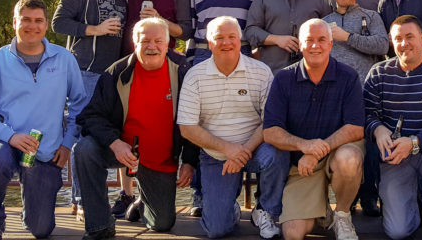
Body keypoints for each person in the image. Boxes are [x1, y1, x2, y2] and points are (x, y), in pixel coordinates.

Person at [0, 0, 88, 240]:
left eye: (38, 20)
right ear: (15, 22)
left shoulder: (65, 59)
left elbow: (80, 106)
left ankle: (32, 211)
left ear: (46, 25)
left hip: (46, 148)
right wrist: (10, 136)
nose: (32, 26)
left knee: (41, 229)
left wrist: (67, 144)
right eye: (25, 20)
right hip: (6, 141)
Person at [73, 18, 197, 240]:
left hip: (161, 161)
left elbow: (196, 119)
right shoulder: (116, 72)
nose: (152, 46)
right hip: (124, 153)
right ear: (134, 43)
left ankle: (143, 200)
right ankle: (99, 226)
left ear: (168, 44)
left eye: (158, 41)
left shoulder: (184, 71)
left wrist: (188, 161)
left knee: (161, 224)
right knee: (84, 149)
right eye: (145, 41)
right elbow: (90, 115)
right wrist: (115, 142)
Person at [179, 17, 289, 239]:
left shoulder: (261, 71)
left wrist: (243, 150)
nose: (226, 42)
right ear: (209, 43)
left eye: (231, 37)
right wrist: (228, 149)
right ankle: (230, 209)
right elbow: (187, 128)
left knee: (279, 151)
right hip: (215, 154)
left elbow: (270, 120)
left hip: (256, 148)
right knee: (216, 230)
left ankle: (264, 210)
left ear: (240, 40)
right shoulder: (195, 76)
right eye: (219, 37)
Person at [263, 19, 365, 240]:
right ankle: (322, 211)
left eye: (321, 40)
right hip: (302, 167)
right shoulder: (283, 78)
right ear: (300, 45)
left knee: (349, 158)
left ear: (330, 44)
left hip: (335, 155)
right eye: (309, 40)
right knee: (292, 233)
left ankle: (342, 215)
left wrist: (316, 150)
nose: (315, 46)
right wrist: (304, 146)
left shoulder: (348, 76)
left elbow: (356, 128)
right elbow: (270, 131)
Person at [364, 15, 422, 240]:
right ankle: (417, 205)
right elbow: (367, 115)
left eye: (410, 37)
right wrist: (378, 129)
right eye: (398, 38)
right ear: (391, 41)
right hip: (395, 158)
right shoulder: (378, 73)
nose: (404, 43)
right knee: (398, 232)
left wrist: (415, 142)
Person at [52, 0, 129, 219]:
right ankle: (83, 200)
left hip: (113, 77)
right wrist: (94, 29)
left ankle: (93, 198)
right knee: (82, 134)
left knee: (107, 134)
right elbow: (58, 23)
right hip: (85, 72)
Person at [324, 0, 391, 216]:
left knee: (370, 147)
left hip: (366, 92)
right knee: (342, 148)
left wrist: (347, 37)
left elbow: (382, 45)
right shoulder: (324, 21)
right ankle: (346, 199)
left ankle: (369, 196)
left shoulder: (371, 17)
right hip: (333, 97)